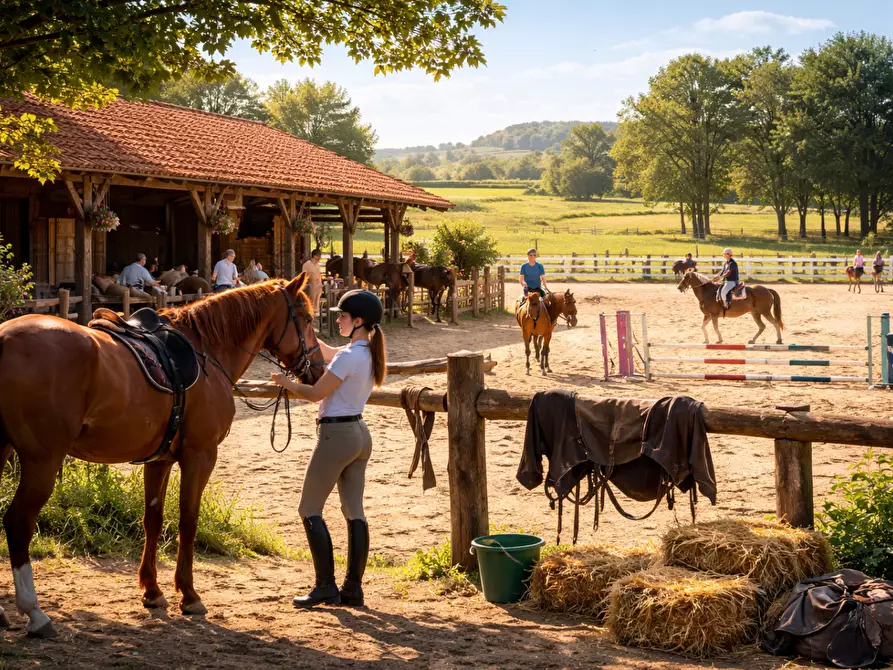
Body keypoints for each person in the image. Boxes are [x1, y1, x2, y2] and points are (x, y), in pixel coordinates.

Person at [269, 289, 387, 609]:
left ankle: (324, 586)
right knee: (354, 512)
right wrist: (308, 334)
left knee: (309, 509)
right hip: (360, 435)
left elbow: (314, 393)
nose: (338, 319)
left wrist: (285, 382)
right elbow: (330, 350)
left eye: (344, 316)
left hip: (336, 436)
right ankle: (352, 589)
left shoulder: (349, 357)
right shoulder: (364, 352)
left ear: (359, 321)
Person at [301, 249, 323, 315]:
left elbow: (319, 276)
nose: (320, 257)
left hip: (318, 288)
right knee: (310, 303)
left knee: (317, 303)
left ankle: (316, 315)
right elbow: (303, 276)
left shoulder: (318, 266)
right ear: (315, 256)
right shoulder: (307, 265)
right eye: (319, 256)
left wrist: (320, 285)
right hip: (310, 287)